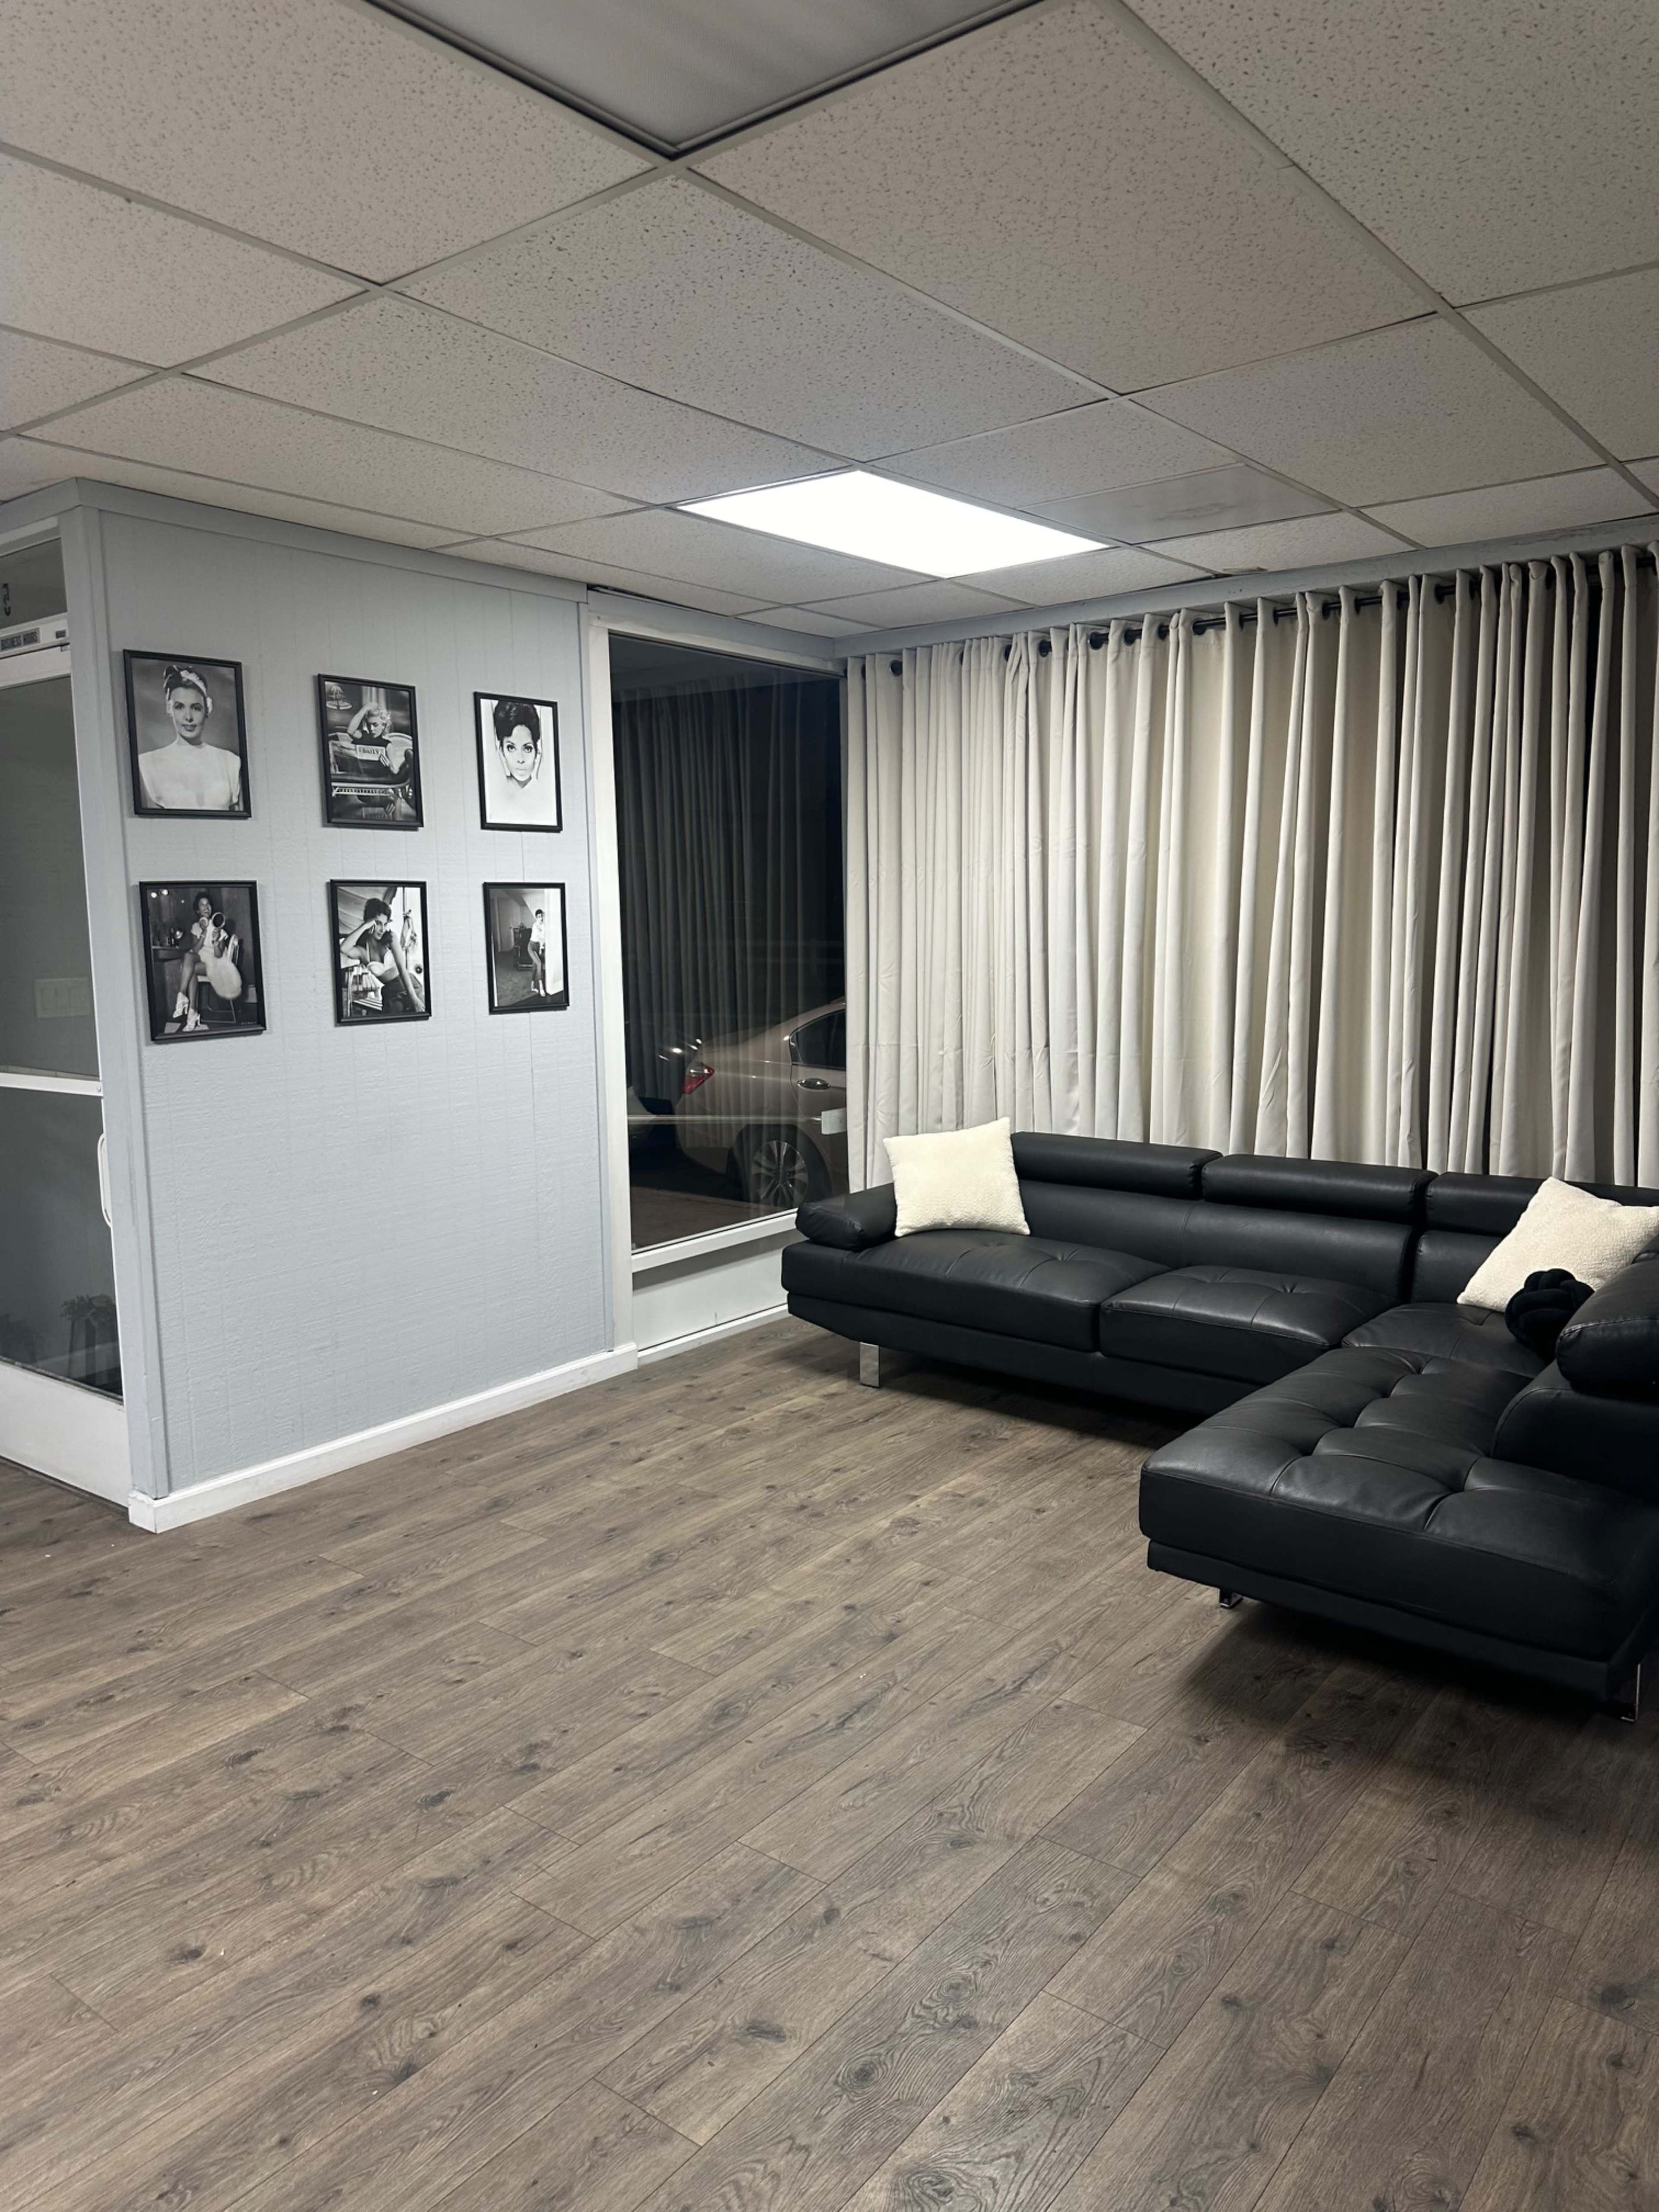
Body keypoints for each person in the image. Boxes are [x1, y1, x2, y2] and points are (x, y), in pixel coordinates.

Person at [138, 665, 243, 812]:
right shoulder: (148, 764)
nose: (188, 717)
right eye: (180, 707)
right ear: (170, 709)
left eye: (196, 708)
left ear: (207, 709)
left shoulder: (230, 762)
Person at [338, 893, 425, 1017]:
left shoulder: (391, 939)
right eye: (378, 923)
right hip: (391, 993)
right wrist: (364, 927)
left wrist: (414, 998)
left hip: (410, 986)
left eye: (385, 924)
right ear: (370, 921)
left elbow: (403, 969)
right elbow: (344, 948)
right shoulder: (363, 951)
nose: (382, 929)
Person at [166, 890, 240, 1033]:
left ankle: (190, 1010)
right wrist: (204, 934)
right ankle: (185, 1001)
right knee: (188, 957)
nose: (206, 907)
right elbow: (195, 951)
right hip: (202, 960)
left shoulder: (220, 928)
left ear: (212, 908)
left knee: (190, 968)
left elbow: (219, 956)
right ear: (198, 910)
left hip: (218, 965)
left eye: (208, 904)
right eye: (202, 905)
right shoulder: (196, 927)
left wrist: (216, 941)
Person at [488, 699, 551, 824]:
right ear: (502, 751)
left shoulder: (546, 785)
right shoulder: (497, 785)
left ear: (537, 751)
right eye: (511, 748)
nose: (521, 759)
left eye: (527, 748)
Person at [528, 905, 547, 998]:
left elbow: (542, 939)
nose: (541, 918)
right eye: (539, 917)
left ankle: (532, 986)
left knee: (535, 967)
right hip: (531, 947)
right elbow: (540, 935)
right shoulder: (535, 926)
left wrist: (541, 948)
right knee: (539, 964)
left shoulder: (544, 926)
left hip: (537, 947)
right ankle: (541, 986)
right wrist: (543, 930)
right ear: (537, 918)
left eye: (542, 916)